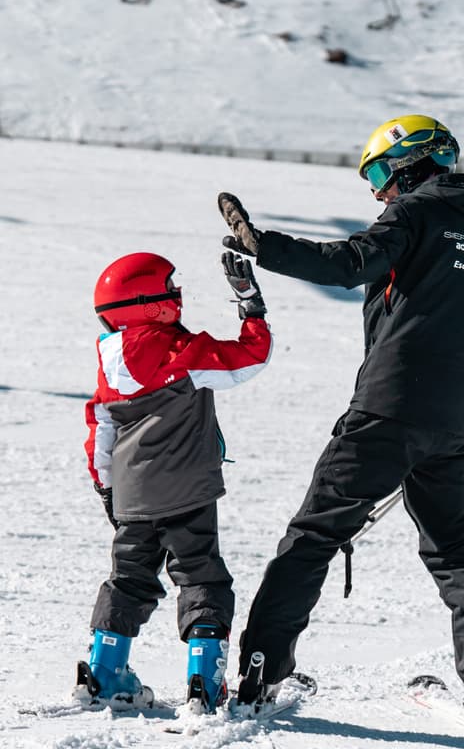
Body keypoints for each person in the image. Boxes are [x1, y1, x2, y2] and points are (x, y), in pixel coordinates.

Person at [217, 114, 464, 726]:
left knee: (314, 537)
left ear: (418, 163)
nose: (379, 191)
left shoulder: (415, 215)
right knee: (458, 550)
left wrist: (266, 246)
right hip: (454, 425)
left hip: (388, 410)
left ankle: (260, 670)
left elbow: (350, 262)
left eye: (384, 172)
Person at [75, 251, 272, 713]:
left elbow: (100, 426)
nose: (178, 296)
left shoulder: (110, 364)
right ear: (150, 306)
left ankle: (104, 673)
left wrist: (107, 487)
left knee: (128, 579)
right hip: (188, 493)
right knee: (201, 577)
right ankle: (204, 681)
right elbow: (249, 359)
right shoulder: (183, 353)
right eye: (170, 290)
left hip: (132, 496)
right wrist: (251, 307)